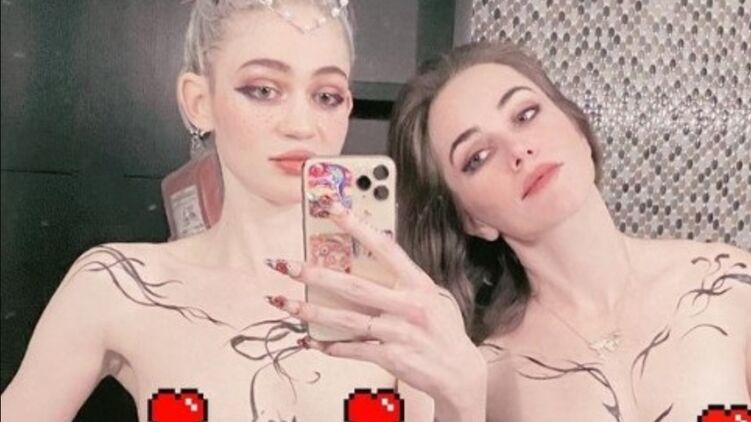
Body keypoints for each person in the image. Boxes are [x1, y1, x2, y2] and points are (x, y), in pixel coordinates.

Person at [1, 1, 480, 420]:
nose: (301, 125)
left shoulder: (409, 308)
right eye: (264, 89)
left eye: (326, 96)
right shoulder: (116, 285)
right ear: (199, 101)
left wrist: (466, 403)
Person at [382, 41, 751, 421]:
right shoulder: (481, 372)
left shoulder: (731, 285)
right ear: (470, 218)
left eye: (525, 115)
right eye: (478, 156)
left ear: (576, 126)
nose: (518, 149)